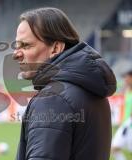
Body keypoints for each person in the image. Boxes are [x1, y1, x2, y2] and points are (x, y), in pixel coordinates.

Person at [12, 7, 117, 160]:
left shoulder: (52, 98)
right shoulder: (91, 91)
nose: (16, 54)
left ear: (55, 48)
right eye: (17, 46)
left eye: (26, 45)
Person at [111, 70, 132, 160]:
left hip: (130, 124)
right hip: (125, 124)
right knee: (114, 148)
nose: (125, 80)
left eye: (126, 77)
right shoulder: (127, 91)